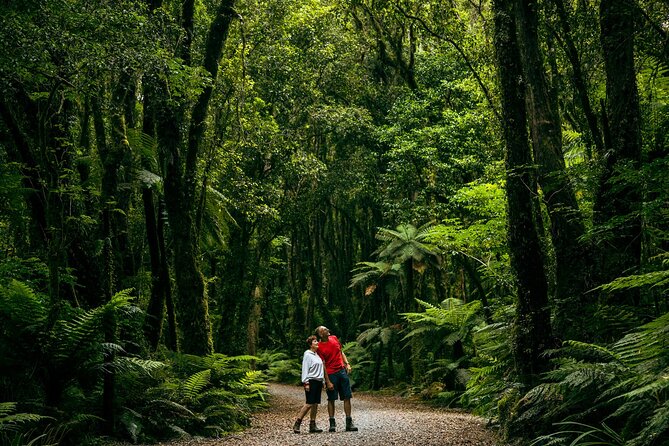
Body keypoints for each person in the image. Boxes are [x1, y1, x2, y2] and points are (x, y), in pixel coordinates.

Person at [315, 325, 358, 432]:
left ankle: (349, 423)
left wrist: (347, 364)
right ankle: (332, 423)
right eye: (325, 330)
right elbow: (322, 364)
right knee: (331, 399)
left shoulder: (334, 338)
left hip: (342, 371)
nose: (327, 330)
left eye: (327, 328)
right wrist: (327, 381)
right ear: (320, 334)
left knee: (347, 396)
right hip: (331, 374)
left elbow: (341, 351)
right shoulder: (319, 347)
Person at [293, 335, 325, 434]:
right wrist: (306, 382)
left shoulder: (317, 355)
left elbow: (321, 369)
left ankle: (312, 425)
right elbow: (305, 369)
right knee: (309, 403)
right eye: (315, 341)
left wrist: (323, 381)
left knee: (315, 404)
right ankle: (297, 423)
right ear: (311, 344)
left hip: (318, 381)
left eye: (316, 341)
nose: (317, 343)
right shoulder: (307, 354)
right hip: (311, 381)